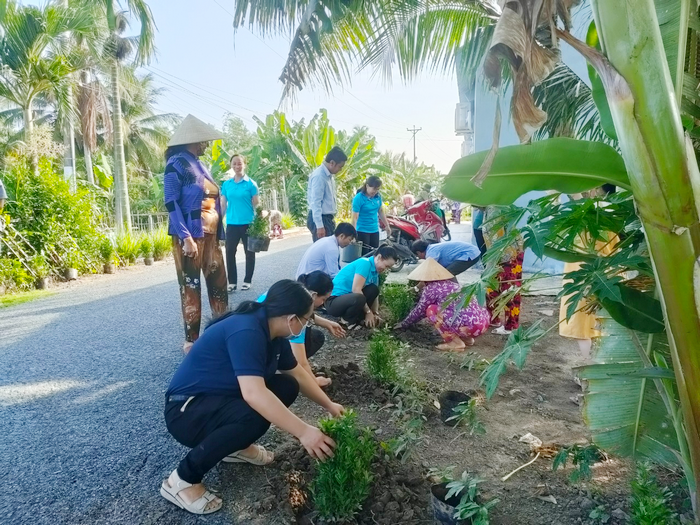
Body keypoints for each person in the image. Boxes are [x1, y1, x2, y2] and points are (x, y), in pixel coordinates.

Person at [161, 280, 344, 515]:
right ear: (290, 318)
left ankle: (234, 447)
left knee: (286, 385)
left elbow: (297, 373)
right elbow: (253, 393)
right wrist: (305, 432)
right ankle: (182, 480)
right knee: (253, 416)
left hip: (218, 398)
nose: (306, 325)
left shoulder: (274, 332)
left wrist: (329, 405)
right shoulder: (246, 330)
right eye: (306, 319)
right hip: (187, 411)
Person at [164, 114, 228, 353]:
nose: (206, 145)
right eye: (203, 141)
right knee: (191, 287)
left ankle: (223, 331)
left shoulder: (200, 164)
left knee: (219, 283)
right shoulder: (176, 163)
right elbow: (171, 202)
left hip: (210, 235)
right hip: (191, 235)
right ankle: (192, 341)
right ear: (194, 140)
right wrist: (185, 237)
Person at [258, 272, 345, 387]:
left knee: (317, 336)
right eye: (323, 299)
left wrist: (326, 323)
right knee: (290, 384)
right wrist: (314, 382)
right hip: (261, 347)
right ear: (313, 295)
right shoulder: (297, 315)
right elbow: (301, 362)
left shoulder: (292, 292)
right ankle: (277, 369)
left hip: (263, 335)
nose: (323, 304)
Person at [395, 258, 490, 351]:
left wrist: (404, 324)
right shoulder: (452, 284)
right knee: (456, 312)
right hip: (482, 324)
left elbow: (419, 311)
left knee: (431, 310)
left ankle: (455, 343)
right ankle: (467, 339)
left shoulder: (431, 289)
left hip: (469, 326)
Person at [325, 246, 398, 327]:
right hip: (333, 301)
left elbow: (375, 296)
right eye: (386, 266)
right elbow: (356, 290)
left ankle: (360, 319)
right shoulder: (365, 263)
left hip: (348, 299)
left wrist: (375, 313)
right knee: (359, 297)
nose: (386, 269)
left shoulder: (375, 272)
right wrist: (368, 312)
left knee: (373, 289)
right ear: (379, 257)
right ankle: (346, 321)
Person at [482, 206, 525, 334]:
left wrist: (493, 264)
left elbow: (499, 242)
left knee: (509, 289)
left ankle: (510, 326)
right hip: (498, 255)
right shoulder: (488, 209)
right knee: (491, 287)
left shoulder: (495, 210)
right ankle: (493, 319)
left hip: (508, 255)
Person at [221, 154, 259, 292]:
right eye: (234, 164)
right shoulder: (226, 185)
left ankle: (247, 280)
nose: (237, 166)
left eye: (240, 163)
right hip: (231, 223)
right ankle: (232, 282)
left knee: (249, 252)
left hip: (248, 223)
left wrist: (260, 222)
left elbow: (256, 205)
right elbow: (223, 205)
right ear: (231, 165)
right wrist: (219, 220)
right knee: (230, 252)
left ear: (244, 165)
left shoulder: (251, 184)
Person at [306, 146, 348, 242]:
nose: (340, 170)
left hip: (327, 219)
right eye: (340, 167)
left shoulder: (329, 176)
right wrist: (319, 226)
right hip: (321, 218)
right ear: (332, 163)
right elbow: (316, 202)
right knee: (324, 251)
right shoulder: (319, 176)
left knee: (330, 247)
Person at [351, 176, 391, 255]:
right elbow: (355, 217)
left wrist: (387, 225)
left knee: (374, 254)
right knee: (364, 255)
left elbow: (380, 211)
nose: (375, 191)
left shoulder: (378, 197)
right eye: (374, 189)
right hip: (362, 230)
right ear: (367, 186)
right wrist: (352, 234)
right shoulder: (359, 198)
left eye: (377, 189)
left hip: (374, 230)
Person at [411, 240, 481, 277]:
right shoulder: (432, 248)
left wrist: (419, 285)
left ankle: (453, 292)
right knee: (447, 273)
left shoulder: (430, 252)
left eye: (418, 256)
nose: (419, 258)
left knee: (446, 275)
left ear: (419, 252)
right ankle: (455, 290)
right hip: (471, 252)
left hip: (469, 254)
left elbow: (430, 270)